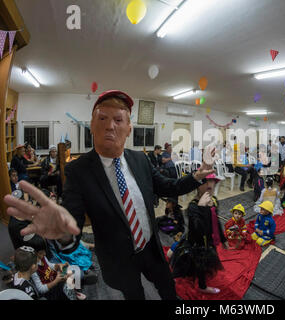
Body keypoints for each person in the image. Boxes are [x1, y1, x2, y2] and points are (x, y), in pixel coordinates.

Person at [3, 90, 215, 300]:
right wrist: (62, 231)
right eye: (102, 118)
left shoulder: (140, 160)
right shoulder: (78, 171)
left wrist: (197, 176)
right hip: (120, 259)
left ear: (129, 128)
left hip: (151, 248)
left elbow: (169, 186)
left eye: (118, 119)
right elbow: (72, 222)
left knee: (168, 289)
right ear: (92, 126)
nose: (110, 125)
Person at [170, 173, 228, 294]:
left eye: (212, 182)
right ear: (197, 186)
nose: (209, 184)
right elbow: (197, 229)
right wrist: (202, 207)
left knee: (206, 262)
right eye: (206, 182)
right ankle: (202, 287)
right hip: (197, 243)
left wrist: (223, 239)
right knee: (197, 262)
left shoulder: (214, 201)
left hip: (209, 240)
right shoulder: (193, 206)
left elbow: (216, 222)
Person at [26, 234, 84, 300]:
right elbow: (41, 289)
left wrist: (59, 265)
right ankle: (72, 294)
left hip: (55, 280)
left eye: (44, 251)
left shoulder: (42, 257)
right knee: (67, 281)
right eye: (41, 253)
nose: (44, 254)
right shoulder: (33, 268)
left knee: (70, 272)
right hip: (51, 290)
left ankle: (74, 292)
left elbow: (50, 265)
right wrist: (56, 281)